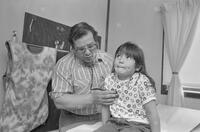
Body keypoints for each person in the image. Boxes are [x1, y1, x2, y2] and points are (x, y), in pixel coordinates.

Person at [50, 22, 118, 131]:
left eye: (91, 46)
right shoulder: (63, 65)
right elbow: (59, 100)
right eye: (81, 49)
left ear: (97, 43)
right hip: (72, 119)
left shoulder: (109, 60)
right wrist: (92, 98)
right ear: (73, 49)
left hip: (103, 117)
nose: (87, 53)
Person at [95, 42, 160, 132]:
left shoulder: (142, 81)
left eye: (128, 57)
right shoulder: (109, 79)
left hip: (137, 124)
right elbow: (105, 106)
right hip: (114, 122)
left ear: (137, 67)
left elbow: (152, 112)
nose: (121, 60)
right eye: (118, 56)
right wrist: (105, 127)